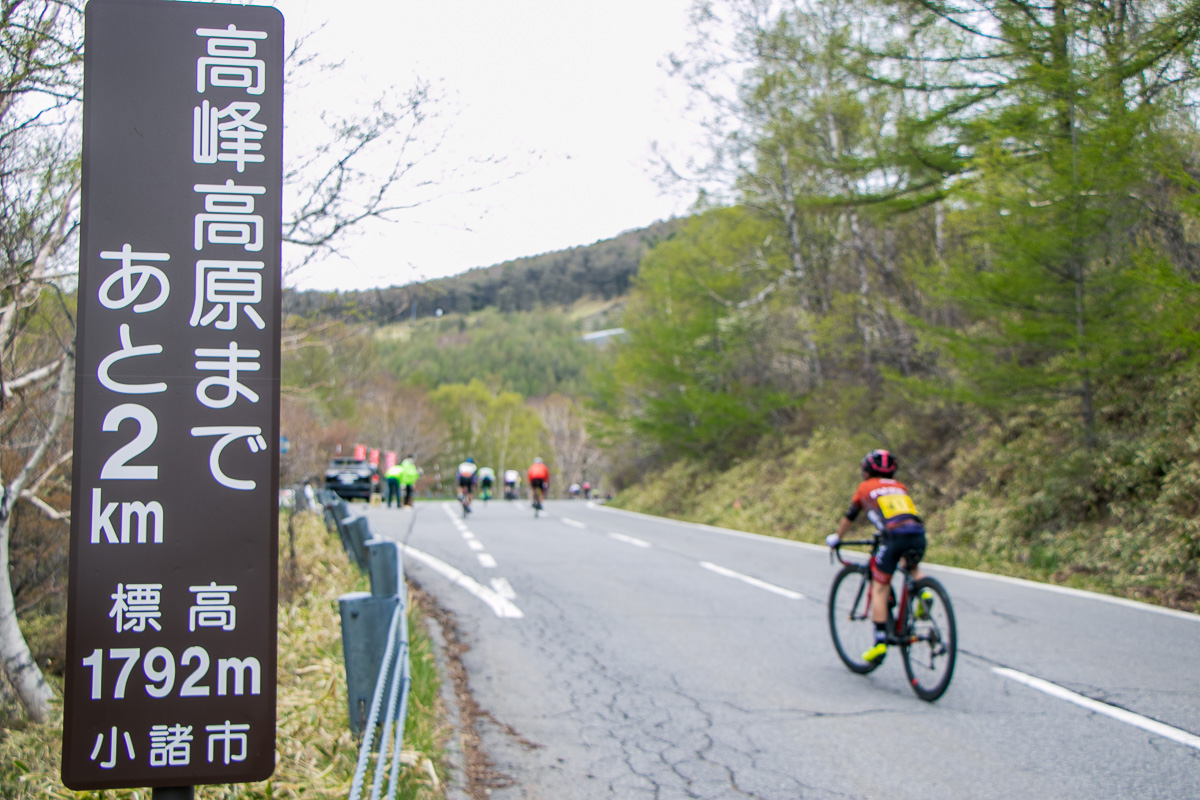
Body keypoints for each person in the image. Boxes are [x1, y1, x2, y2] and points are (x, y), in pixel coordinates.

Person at [826, 449, 929, 664]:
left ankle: (880, 642)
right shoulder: (899, 486)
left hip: (893, 537)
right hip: (918, 534)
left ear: (866, 471)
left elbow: (850, 516)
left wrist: (837, 537)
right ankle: (923, 592)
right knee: (910, 564)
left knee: (880, 586)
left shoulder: (865, 488)